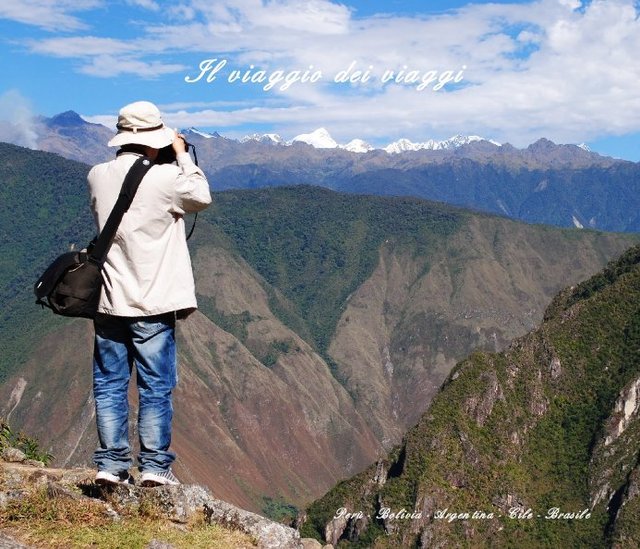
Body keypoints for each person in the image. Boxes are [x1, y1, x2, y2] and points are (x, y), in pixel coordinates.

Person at [87, 101, 211, 486]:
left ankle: (111, 466)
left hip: (109, 300)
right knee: (155, 386)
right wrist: (181, 155)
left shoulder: (96, 175)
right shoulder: (168, 178)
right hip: (153, 303)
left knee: (109, 384)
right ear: (155, 139)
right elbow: (201, 196)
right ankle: (155, 468)